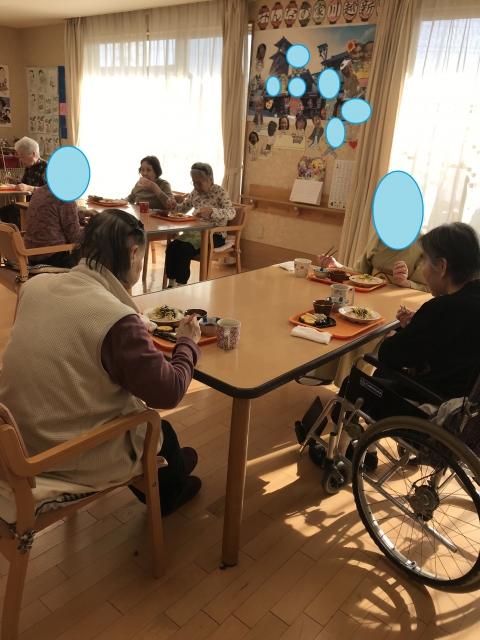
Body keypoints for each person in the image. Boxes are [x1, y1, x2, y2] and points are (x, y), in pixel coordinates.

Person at [0, 209, 202, 516]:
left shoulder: (34, 286)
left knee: (156, 434)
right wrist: (187, 343)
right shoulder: (117, 320)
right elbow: (169, 391)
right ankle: (169, 495)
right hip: (59, 454)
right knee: (158, 428)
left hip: (16, 436)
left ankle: (170, 467)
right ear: (134, 253)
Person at [343, 222, 480, 469]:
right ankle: (371, 448)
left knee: (356, 382)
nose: (423, 269)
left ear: (443, 266)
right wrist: (419, 328)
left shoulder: (444, 308)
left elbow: (390, 355)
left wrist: (400, 334)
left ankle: (348, 451)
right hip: (469, 413)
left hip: (436, 411)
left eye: (425, 261)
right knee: (385, 376)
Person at [300, 233, 430, 387]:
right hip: (369, 296)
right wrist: (337, 266)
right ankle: (325, 373)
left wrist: (406, 283)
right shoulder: (380, 235)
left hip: (397, 301)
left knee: (365, 330)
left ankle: (349, 383)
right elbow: (359, 272)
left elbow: (428, 288)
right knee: (341, 318)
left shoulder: (421, 243)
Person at [164, 162, 235, 287]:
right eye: (194, 183)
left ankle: (181, 285)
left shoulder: (220, 192)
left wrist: (211, 211)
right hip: (196, 232)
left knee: (184, 249)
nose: (197, 187)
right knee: (172, 247)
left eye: (200, 183)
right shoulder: (195, 193)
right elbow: (182, 209)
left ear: (210, 179)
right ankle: (171, 284)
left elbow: (231, 212)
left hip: (214, 234)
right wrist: (173, 206)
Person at [24, 185, 85, 268]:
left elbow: (60, 214)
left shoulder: (40, 191)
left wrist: (82, 214)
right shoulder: (65, 197)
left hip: (31, 255)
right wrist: (91, 228)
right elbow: (75, 237)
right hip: (53, 256)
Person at [0, 137, 47, 228]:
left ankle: (21, 236)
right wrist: (14, 181)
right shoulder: (29, 167)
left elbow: (50, 190)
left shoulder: (46, 167)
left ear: (33, 154)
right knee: (3, 211)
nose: (20, 160)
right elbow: (24, 184)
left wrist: (30, 188)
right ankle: (11, 236)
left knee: (14, 214)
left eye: (22, 156)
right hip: (26, 202)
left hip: (42, 205)